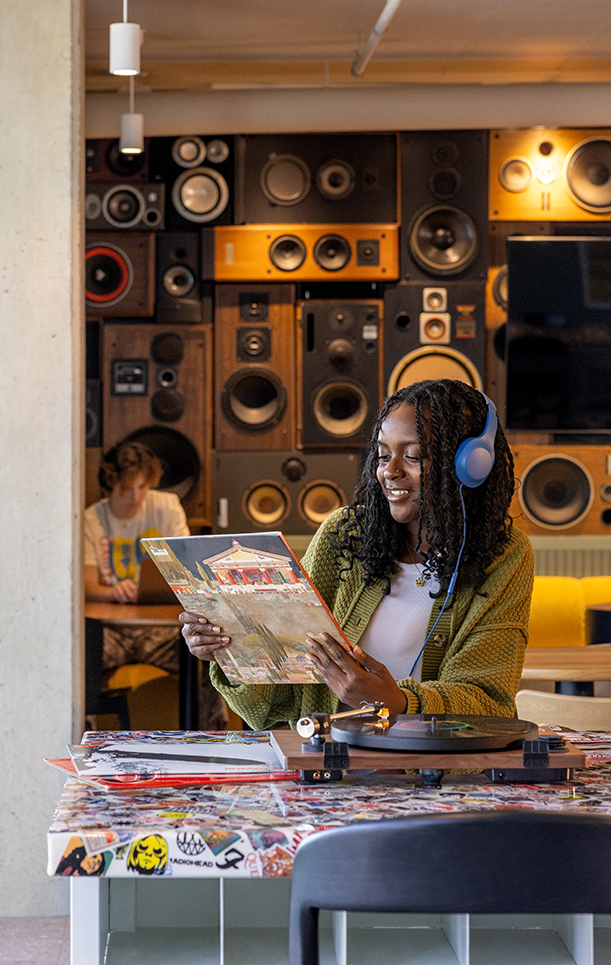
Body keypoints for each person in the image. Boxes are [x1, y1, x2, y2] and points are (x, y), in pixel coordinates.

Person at [180, 380, 534, 731]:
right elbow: (279, 700)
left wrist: (399, 704)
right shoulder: (344, 534)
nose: (390, 471)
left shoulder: (504, 556)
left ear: (470, 465)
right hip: (331, 762)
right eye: (382, 455)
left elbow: (489, 703)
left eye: (412, 456)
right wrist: (231, 652)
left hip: (437, 774)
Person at [85, 441, 226, 728]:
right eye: (127, 489)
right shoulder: (91, 520)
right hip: (114, 631)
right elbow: (85, 585)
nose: (136, 497)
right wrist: (112, 592)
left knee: (209, 648)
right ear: (111, 484)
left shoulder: (166, 507)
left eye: (143, 488)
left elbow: (186, 571)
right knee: (81, 652)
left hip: (163, 632)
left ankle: (213, 732)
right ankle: (85, 728)